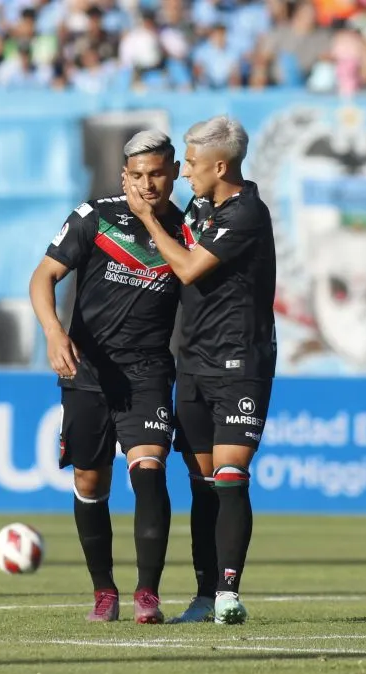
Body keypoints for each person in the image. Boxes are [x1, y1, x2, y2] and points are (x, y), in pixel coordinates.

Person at [121, 115, 276, 626]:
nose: (184, 172)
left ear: (220, 166)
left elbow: (188, 267)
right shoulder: (200, 207)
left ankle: (229, 592)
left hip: (240, 362)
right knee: (202, 482)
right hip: (192, 361)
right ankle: (205, 595)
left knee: (231, 476)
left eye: (190, 163)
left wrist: (147, 219)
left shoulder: (246, 213)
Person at [28, 130, 187, 624]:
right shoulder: (94, 217)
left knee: (149, 471)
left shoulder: (188, 232)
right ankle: (104, 591)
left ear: (175, 173)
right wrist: (54, 332)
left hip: (148, 371)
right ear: (124, 176)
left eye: (156, 174)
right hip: (88, 370)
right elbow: (42, 277)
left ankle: (148, 594)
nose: (147, 184)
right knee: (89, 480)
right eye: (137, 175)